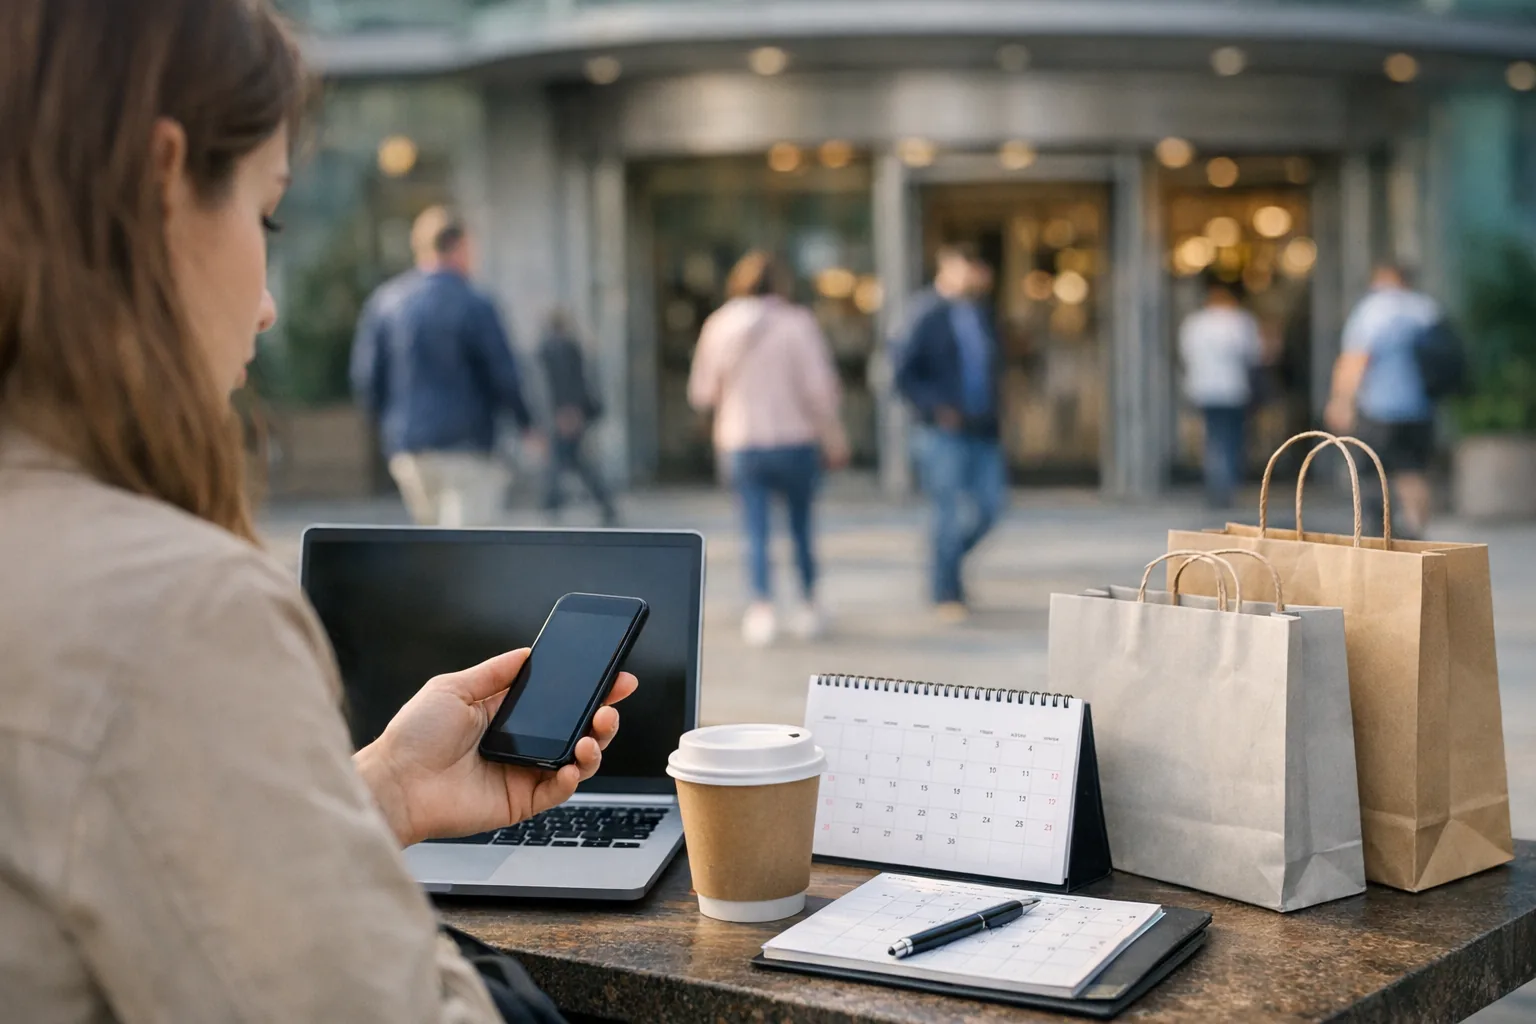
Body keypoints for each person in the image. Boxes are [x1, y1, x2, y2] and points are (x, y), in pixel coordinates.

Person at [0, 2, 636, 1020]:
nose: (268, 304)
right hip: (464, 441)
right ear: (164, 187)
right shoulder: (171, 610)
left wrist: (377, 789)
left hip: (410, 444)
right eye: (265, 214)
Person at [688, 251, 849, 646]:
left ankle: (762, 608)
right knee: (800, 526)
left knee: (754, 530)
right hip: (795, 441)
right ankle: (808, 604)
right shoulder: (798, 324)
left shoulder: (719, 324)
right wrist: (833, 434)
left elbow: (702, 391)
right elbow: (819, 391)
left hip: (741, 442)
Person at [351, 208, 537, 527]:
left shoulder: (385, 302)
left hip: (410, 449)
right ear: (460, 247)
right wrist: (526, 423)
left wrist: (390, 427)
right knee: (467, 555)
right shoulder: (474, 303)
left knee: (432, 550)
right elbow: (503, 373)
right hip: (467, 447)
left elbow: (366, 378)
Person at [894, 243, 1007, 623]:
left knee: (991, 508)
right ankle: (945, 589)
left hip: (983, 429)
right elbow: (900, 373)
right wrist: (936, 408)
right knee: (946, 512)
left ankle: (948, 568)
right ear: (949, 267)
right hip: (941, 432)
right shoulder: (923, 313)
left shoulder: (979, 313)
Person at [1325, 263, 1441, 537]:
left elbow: (1356, 359)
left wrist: (1341, 400)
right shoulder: (1426, 309)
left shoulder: (1375, 310)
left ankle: (1380, 534)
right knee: (1413, 471)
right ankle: (1417, 532)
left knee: (1374, 473)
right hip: (1421, 407)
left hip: (1380, 407)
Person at [1178, 275, 1263, 508]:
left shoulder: (1195, 323)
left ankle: (1216, 485)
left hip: (1203, 388)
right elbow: (1254, 355)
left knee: (1213, 438)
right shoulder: (1241, 322)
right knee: (1232, 439)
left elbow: (1186, 354)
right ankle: (1228, 486)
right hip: (1234, 389)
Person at [538, 310, 617, 527]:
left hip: (567, 414)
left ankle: (553, 505)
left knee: (571, 462)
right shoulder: (563, 347)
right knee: (572, 462)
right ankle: (554, 505)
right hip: (569, 414)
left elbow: (567, 384)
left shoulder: (557, 348)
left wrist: (568, 412)